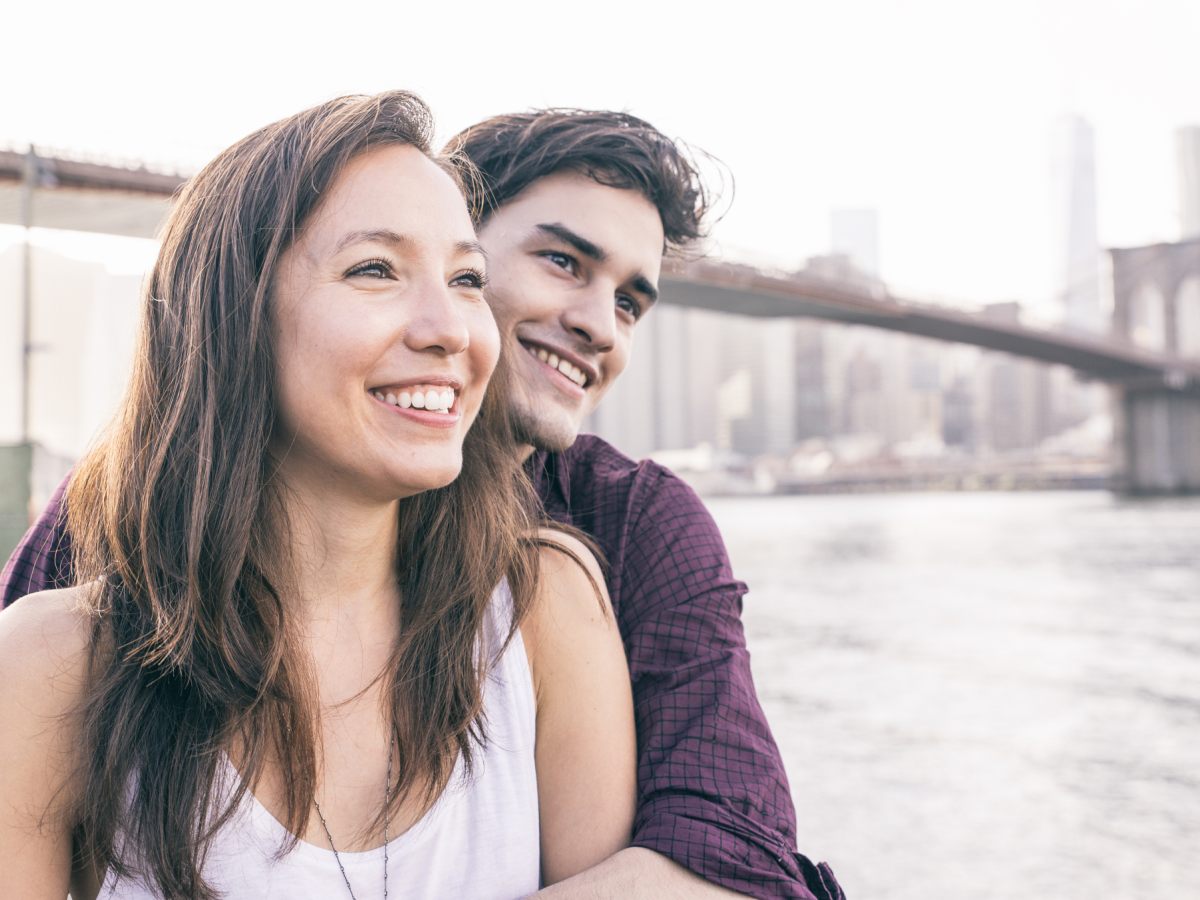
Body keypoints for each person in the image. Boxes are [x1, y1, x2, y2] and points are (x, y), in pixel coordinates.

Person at [2, 111, 847, 900]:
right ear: (239, 309)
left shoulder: (590, 564)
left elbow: (735, 851)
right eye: (562, 261)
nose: (601, 325)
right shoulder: (89, 576)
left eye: (629, 301)